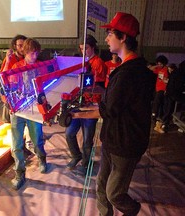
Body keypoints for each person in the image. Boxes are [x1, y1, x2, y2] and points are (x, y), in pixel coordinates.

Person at [73, 12, 156, 215]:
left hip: (125, 144)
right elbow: (118, 101)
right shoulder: (127, 69)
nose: (107, 38)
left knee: (114, 193)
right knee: (101, 187)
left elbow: (109, 109)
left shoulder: (130, 73)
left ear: (124, 37)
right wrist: (101, 92)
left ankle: (132, 209)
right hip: (113, 139)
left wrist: (76, 114)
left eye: (111, 33)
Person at [10, 38, 47, 190]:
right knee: (16, 144)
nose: (34, 55)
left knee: (37, 138)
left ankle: (42, 158)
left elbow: (45, 86)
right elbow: (10, 86)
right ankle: (19, 173)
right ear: (25, 51)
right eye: (32, 52)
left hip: (34, 108)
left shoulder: (40, 67)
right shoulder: (16, 67)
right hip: (18, 109)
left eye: (37, 52)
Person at [65, 35, 106, 173]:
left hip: (90, 105)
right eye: (81, 48)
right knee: (69, 133)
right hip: (78, 103)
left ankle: (86, 163)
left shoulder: (98, 63)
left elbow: (99, 87)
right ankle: (77, 156)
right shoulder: (80, 62)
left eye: (86, 48)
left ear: (92, 47)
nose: (83, 51)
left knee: (87, 139)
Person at [0, 34, 27, 123]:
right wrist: (7, 61)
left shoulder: (26, 58)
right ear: (15, 46)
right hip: (11, 90)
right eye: (20, 45)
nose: (22, 48)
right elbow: (2, 75)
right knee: (9, 116)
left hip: (22, 90)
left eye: (24, 45)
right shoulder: (10, 58)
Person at [150, 55, 169, 121]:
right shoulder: (159, 69)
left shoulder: (167, 69)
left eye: (161, 64)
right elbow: (150, 69)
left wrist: (166, 81)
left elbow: (168, 80)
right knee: (159, 103)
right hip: (157, 88)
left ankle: (153, 115)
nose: (159, 65)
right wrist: (157, 66)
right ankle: (158, 116)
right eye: (158, 64)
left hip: (162, 89)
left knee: (156, 102)